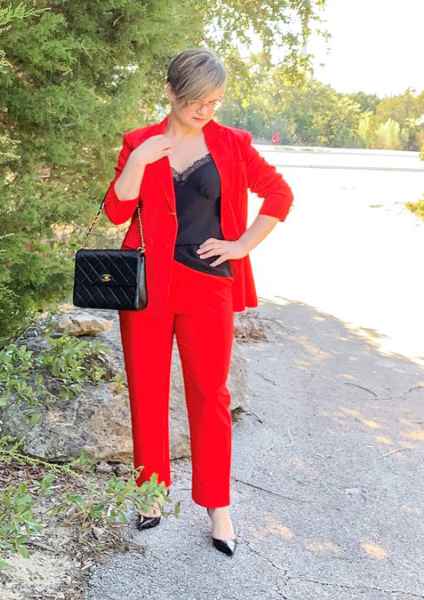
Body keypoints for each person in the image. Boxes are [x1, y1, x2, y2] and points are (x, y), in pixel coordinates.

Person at [102, 48, 294, 557]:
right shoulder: (140, 142)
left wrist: (242, 245)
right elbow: (116, 211)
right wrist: (138, 164)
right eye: (194, 101)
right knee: (146, 390)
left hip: (210, 285)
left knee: (210, 396)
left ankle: (218, 506)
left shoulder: (232, 143)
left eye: (214, 101)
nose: (204, 110)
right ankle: (150, 494)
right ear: (170, 91)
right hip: (148, 288)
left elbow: (278, 195)